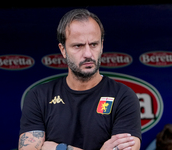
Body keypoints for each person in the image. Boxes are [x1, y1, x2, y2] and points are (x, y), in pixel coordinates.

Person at [18, 9, 141, 150]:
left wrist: (60, 148)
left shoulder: (123, 96)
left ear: (102, 45)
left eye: (94, 44)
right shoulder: (39, 96)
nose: (88, 54)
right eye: (78, 46)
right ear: (63, 49)